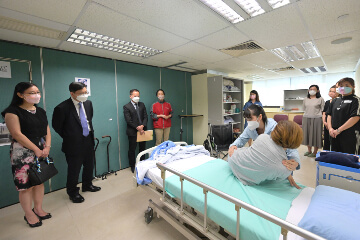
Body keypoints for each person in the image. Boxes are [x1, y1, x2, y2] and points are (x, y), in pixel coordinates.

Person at [1, 82, 51, 227]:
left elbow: (46, 129)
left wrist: (47, 146)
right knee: (26, 186)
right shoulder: (12, 112)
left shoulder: (40, 111)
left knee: (39, 181)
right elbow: (16, 133)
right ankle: (29, 214)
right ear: (20, 94)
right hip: (22, 153)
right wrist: (35, 149)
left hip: (42, 149)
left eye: (37, 92)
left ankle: (39, 209)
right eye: (32, 92)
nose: (36, 95)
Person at [228, 104, 301, 188]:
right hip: (261, 163)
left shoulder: (276, 128)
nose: (248, 121)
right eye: (246, 119)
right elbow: (241, 139)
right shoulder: (251, 128)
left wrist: (295, 162)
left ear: (260, 117)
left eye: (250, 118)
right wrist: (233, 146)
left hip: (279, 164)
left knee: (281, 180)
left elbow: (291, 147)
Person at [52, 82, 100, 204]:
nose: (84, 95)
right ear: (72, 93)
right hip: (73, 143)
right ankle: (73, 192)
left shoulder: (88, 104)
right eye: (81, 93)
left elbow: (89, 119)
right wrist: (70, 136)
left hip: (88, 139)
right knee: (74, 169)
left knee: (89, 165)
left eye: (85, 92)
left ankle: (87, 185)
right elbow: (57, 126)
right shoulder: (62, 107)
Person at [327, 78, 360, 154]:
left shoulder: (356, 100)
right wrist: (330, 129)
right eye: (341, 86)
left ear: (353, 87)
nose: (343, 88)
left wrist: (339, 130)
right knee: (335, 156)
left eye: (347, 85)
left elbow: (355, 117)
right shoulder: (335, 100)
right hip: (334, 134)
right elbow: (329, 115)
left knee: (350, 158)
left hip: (349, 135)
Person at [123, 89, 148, 173]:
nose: (137, 97)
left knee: (142, 148)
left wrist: (142, 126)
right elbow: (128, 120)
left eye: (138, 96)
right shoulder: (126, 106)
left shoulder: (142, 104)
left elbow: (145, 116)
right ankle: (132, 166)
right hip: (133, 131)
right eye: (135, 96)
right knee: (132, 149)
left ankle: (142, 164)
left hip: (143, 131)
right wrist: (138, 127)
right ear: (130, 96)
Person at [302, 85, 325, 157]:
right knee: (307, 134)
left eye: (314, 89)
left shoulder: (320, 99)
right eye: (310, 89)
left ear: (317, 90)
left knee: (316, 135)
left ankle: (315, 152)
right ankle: (309, 151)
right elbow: (304, 108)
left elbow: (323, 110)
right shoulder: (305, 99)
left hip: (317, 119)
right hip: (306, 118)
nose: (312, 90)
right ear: (308, 90)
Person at [322, 85, 338, 150]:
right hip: (326, 125)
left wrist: (330, 125)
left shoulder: (339, 102)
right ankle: (326, 154)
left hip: (334, 124)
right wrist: (324, 122)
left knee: (335, 142)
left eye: (333, 92)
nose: (331, 93)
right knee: (326, 140)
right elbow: (324, 113)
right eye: (330, 91)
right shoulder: (327, 102)